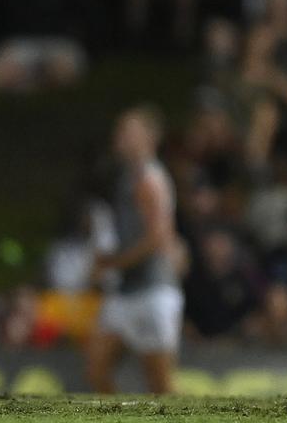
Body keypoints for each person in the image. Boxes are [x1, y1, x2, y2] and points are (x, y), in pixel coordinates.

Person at [85, 106, 184, 394]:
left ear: (148, 138)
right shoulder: (130, 176)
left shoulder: (149, 180)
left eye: (126, 131)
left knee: (161, 387)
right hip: (127, 293)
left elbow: (157, 237)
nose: (119, 137)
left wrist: (113, 264)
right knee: (96, 369)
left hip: (151, 291)